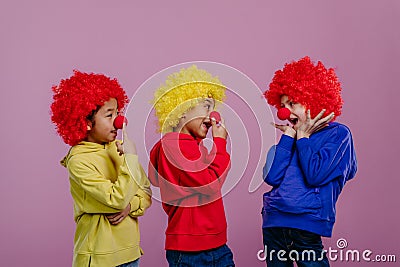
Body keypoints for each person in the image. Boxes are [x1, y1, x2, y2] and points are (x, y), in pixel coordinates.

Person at [262, 56, 357, 266]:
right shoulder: (290, 137)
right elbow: (272, 177)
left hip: (306, 224)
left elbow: (316, 175)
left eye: (292, 103)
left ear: (313, 99)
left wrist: (304, 138)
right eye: (283, 104)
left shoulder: (339, 134)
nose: (284, 111)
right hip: (274, 223)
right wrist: (288, 138)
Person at [51, 70, 152, 267]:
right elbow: (116, 199)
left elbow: (146, 191)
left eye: (118, 113)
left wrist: (131, 206)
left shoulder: (118, 148)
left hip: (131, 254)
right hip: (98, 258)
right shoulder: (79, 160)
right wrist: (130, 159)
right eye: (109, 115)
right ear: (87, 122)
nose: (119, 121)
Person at [148, 65, 235, 266]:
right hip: (191, 252)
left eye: (214, 108)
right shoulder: (174, 144)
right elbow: (210, 182)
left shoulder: (193, 148)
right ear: (182, 110)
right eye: (206, 106)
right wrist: (220, 144)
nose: (214, 116)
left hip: (216, 244)